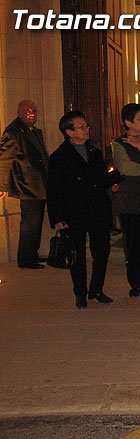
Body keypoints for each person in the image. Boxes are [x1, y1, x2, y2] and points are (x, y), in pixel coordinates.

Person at [47, 111, 121, 309]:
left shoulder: (94, 153)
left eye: (86, 125)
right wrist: (57, 218)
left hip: (97, 209)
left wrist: (116, 178)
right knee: (77, 254)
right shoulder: (59, 157)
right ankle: (80, 292)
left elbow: (100, 179)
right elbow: (53, 190)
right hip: (74, 211)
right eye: (80, 126)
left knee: (102, 250)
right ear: (69, 131)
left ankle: (96, 289)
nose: (86, 129)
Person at [112, 103, 140, 297]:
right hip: (132, 201)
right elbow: (125, 168)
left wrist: (139, 146)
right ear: (127, 122)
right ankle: (135, 284)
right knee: (133, 245)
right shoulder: (118, 144)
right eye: (139, 119)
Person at [0, 99, 49, 269]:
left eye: (34, 110)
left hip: (38, 184)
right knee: (30, 224)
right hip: (27, 185)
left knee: (36, 222)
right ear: (19, 112)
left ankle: (32, 254)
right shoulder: (13, 132)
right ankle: (26, 259)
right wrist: (2, 185)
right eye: (28, 110)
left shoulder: (33, 131)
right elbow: (4, 160)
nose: (32, 113)